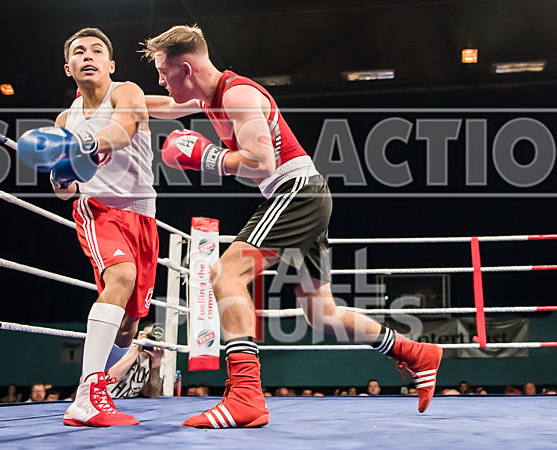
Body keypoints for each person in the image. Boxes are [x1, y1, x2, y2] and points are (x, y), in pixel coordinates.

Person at [141, 24, 443, 429]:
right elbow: (163, 107)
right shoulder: (208, 95)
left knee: (226, 274)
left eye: (164, 72)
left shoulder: (237, 95)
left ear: (187, 68)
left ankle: (246, 396)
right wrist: (110, 102)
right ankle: (414, 351)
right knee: (322, 312)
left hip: (295, 190)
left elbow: (260, 164)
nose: (161, 81)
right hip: (306, 193)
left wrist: (204, 155)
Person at [17, 27, 158, 427]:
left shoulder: (125, 91)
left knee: (129, 325)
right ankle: (86, 395)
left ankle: (104, 389)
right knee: (121, 277)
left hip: (143, 216)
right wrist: (61, 177)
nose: (89, 55)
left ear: (111, 65)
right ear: (69, 68)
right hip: (99, 211)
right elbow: (65, 192)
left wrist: (83, 149)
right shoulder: (65, 119)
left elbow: (122, 130)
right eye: (79, 52)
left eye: (97, 50)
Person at [107, 323, 165, 399]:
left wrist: (156, 364)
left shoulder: (158, 358)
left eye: (153, 338)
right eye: (148, 336)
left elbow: (152, 394)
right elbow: (111, 377)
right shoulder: (127, 349)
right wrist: (137, 348)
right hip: (108, 399)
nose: (149, 341)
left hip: (132, 402)